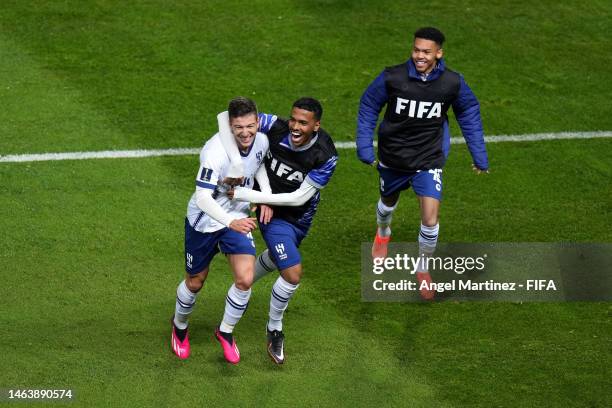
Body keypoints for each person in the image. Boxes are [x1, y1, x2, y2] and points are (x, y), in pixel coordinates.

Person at [356, 27, 489, 300]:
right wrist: (363, 146)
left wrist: (479, 155)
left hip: (429, 158)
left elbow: (469, 111)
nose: (419, 56)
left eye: (426, 52)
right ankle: (383, 233)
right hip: (393, 157)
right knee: (387, 204)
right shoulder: (393, 76)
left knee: (430, 218)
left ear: (439, 53)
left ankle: (423, 267)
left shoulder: (451, 82)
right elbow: (369, 104)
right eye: (416, 50)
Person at [221, 97, 338, 364]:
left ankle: (244, 280)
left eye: (303, 123)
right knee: (293, 272)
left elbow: (298, 198)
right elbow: (224, 118)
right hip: (272, 216)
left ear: (316, 126)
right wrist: (258, 192)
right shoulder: (275, 125)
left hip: (300, 216)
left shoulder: (326, 155)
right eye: (293, 119)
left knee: (277, 258)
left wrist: (255, 194)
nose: (295, 127)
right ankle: (275, 328)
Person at [170, 97, 270, 364]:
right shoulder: (214, 152)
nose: (246, 132)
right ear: (229, 125)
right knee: (195, 282)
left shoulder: (261, 141)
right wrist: (230, 222)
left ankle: (225, 331)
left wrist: (264, 197)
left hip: (236, 215)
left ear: (258, 122)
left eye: (250, 125)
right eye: (239, 127)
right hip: (205, 220)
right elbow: (203, 198)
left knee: (245, 279)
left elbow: (258, 166)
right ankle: (180, 327)